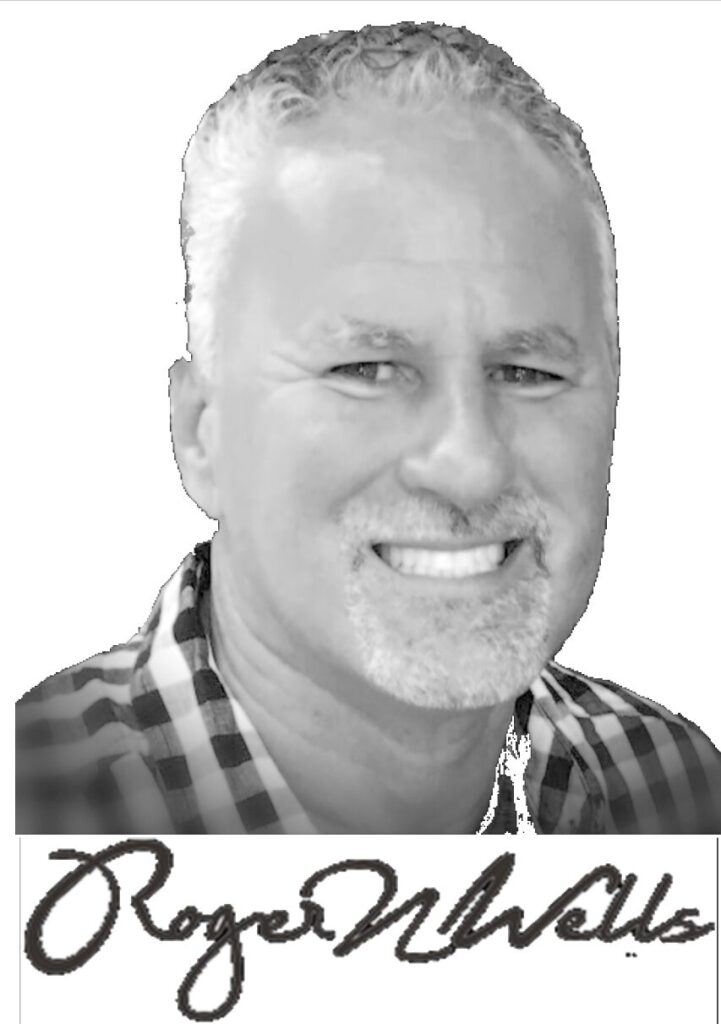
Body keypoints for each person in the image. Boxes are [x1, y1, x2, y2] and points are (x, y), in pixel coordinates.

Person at [16, 21, 721, 835]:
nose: (468, 464)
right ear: (200, 432)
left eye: (527, 373)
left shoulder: (673, 794)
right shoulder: (29, 810)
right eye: (367, 370)